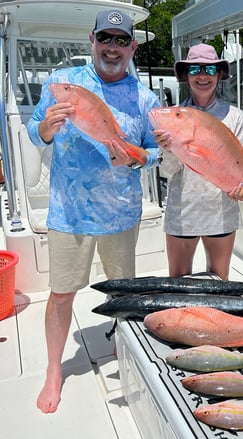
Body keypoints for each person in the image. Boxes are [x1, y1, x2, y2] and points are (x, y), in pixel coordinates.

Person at [27, 9, 160, 413]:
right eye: (107, 38)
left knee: (124, 294)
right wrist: (47, 127)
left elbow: (155, 151)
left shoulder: (144, 97)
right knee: (62, 293)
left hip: (121, 212)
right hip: (69, 213)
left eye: (122, 41)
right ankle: (55, 369)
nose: (113, 47)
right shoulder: (62, 84)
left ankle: (127, 351)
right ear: (93, 40)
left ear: (133, 47)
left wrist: (136, 160)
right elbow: (35, 131)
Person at [154, 43, 243, 280]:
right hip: (182, 211)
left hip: (221, 210)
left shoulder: (235, 116)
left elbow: (235, 166)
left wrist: (241, 188)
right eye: (195, 69)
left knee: (219, 282)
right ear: (186, 76)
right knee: (177, 281)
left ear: (219, 74)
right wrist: (168, 150)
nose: (202, 76)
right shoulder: (170, 117)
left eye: (209, 69)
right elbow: (169, 171)